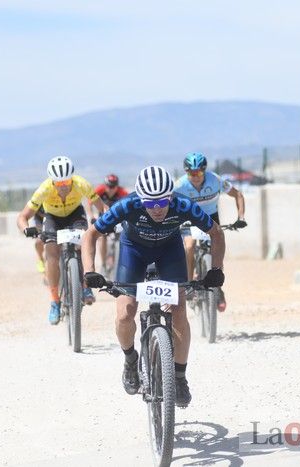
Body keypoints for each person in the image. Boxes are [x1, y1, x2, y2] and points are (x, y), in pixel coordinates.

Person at [81, 166, 226, 407]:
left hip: (170, 251)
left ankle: (179, 377)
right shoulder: (128, 205)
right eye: (150, 204)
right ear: (140, 199)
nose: (157, 209)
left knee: (178, 311)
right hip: (133, 252)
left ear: (171, 196)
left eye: (162, 202)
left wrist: (216, 270)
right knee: (126, 312)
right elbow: (91, 235)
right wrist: (89, 271)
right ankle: (130, 360)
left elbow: (216, 232)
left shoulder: (183, 204)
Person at [16, 156, 108, 325]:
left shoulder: (81, 184)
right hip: (53, 218)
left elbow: (102, 207)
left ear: (72, 178)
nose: (64, 186)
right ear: (52, 182)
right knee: (51, 254)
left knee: (85, 243)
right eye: (59, 184)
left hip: (75, 215)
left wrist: (108, 221)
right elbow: (22, 216)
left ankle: (86, 286)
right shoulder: (44, 189)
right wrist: (25, 228)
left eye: (67, 182)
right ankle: (55, 301)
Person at [173, 152, 246, 311]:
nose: (195, 176)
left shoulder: (216, 180)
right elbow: (166, 202)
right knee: (190, 245)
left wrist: (240, 217)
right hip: (189, 218)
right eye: (191, 173)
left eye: (199, 172)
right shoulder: (179, 185)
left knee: (217, 248)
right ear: (186, 173)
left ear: (204, 171)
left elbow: (238, 195)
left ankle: (218, 287)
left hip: (211, 218)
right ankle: (189, 282)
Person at [88, 174, 129, 274]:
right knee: (102, 237)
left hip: (118, 218)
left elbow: (129, 205)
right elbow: (89, 203)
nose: (111, 189)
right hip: (103, 217)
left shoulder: (122, 192)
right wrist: (92, 216)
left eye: (113, 187)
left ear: (117, 186)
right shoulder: (100, 190)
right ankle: (103, 263)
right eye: (109, 186)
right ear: (105, 185)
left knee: (122, 237)